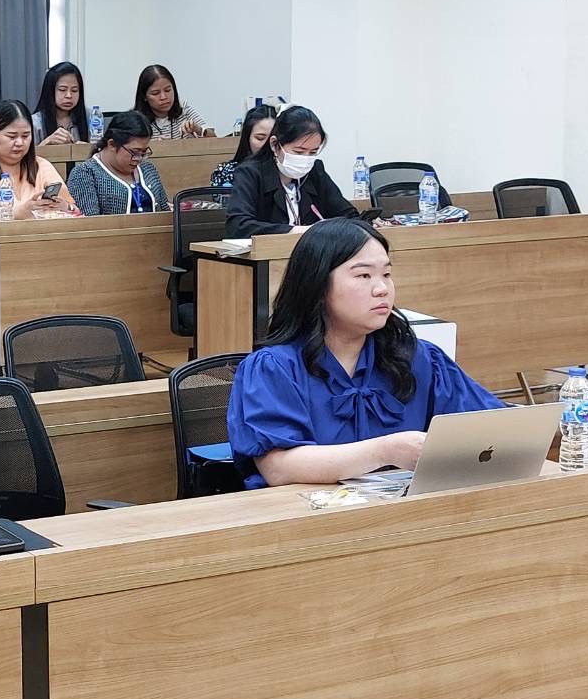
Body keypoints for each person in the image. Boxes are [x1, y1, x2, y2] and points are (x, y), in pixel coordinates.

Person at [227, 219, 502, 490]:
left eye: (387, 274)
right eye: (364, 276)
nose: (382, 289)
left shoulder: (419, 358)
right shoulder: (274, 368)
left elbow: (494, 426)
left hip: (409, 511)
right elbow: (278, 468)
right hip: (307, 513)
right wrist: (385, 451)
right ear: (317, 286)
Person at [226, 105, 358, 237]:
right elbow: (238, 226)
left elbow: (349, 216)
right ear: (275, 145)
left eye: (313, 152)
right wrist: (296, 231)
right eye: (298, 152)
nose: (305, 159)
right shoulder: (250, 173)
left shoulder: (315, 171)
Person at [0, 100, 74, 226]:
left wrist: (65, 207)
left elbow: (72, 208)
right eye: (12, 136)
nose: (19, 143)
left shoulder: (42, 166)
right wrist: (16, 214)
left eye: (25, 136)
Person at [66, 110, 168, 216]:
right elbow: (90, 222)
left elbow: (165, 210)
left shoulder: (148, 169)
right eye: (134, 152)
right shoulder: (85, 173)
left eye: (143, 152)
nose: (138, 158)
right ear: (112, 144)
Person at [134, 64, 215, 140]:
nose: (164, 97)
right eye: (156, 93)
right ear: (144, 96)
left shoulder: (183, 108)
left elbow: (214, 138)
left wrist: (198, 129)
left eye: (168, 90)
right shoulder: (136, 121)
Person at [211, 104, 279, 188]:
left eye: (273, 140)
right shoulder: (226, 172)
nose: (267, 144)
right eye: (260, 138)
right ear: (247, 137)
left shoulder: (287, 171)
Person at [32, 62, 87, 146]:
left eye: (74, 90)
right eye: (62, 90)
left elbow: (102, 150)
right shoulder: (34, 123)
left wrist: (89, 149)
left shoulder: (91, 118)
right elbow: (27, 154)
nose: (69, 95)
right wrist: (46, 143)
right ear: (50, 91)